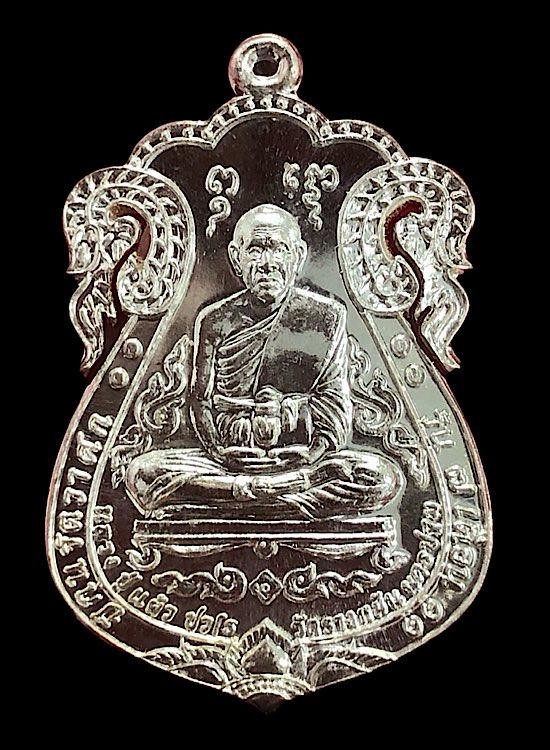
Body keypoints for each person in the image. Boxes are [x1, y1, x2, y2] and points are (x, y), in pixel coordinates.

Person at [125, 204, 404, 519]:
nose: (267, 263)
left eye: (279, 250)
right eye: (256, 251)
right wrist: (221, 453)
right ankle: (273, 496)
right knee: (143, 474)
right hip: (230, 461)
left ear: (298, 256)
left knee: (381, 478)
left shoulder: (326, 316)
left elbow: (336, 409)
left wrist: (308, 455)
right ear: (236, 258)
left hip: (302, 461)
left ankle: (243, 496)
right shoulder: (214, 320)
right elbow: (200, 401)